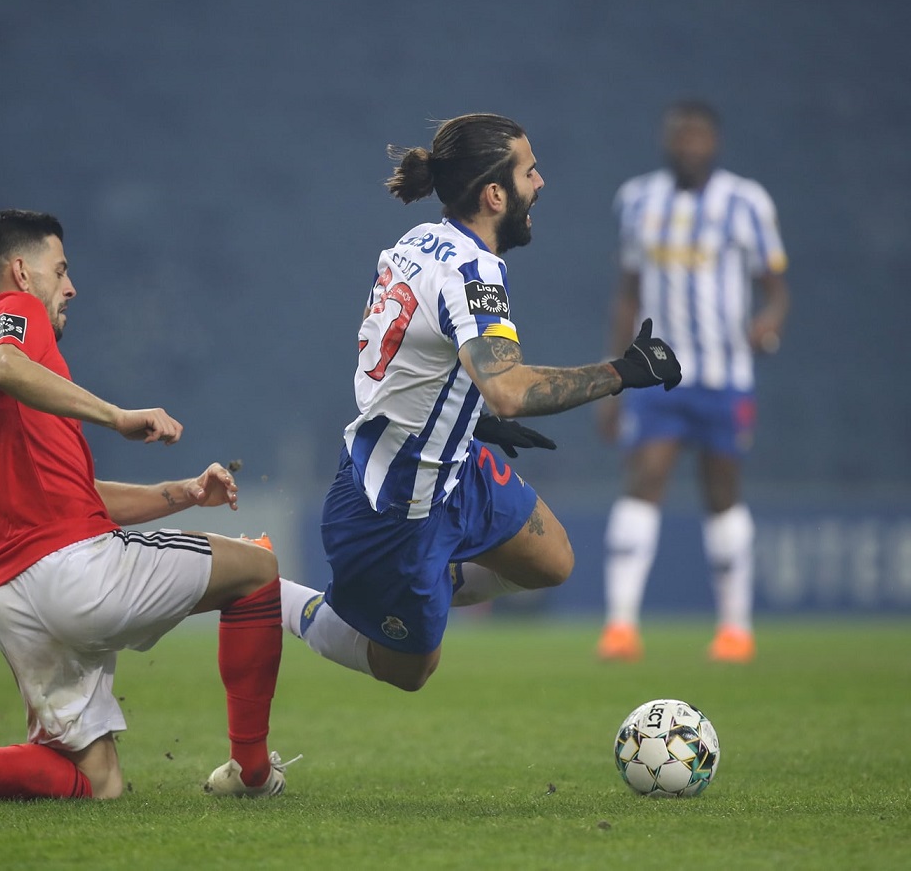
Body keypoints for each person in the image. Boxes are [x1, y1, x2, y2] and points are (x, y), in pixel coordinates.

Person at [0, 209, 289, 804]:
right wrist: (116, 415)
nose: (70, 287)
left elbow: (73, 495)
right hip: (75, 572)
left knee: (97, 782)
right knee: (256, 570)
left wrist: (180, 493)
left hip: (10, 597)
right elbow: (6, 365)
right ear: (22, 272)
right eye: (61, 269)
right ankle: (252, 773)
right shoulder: (12, 313)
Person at [276, 114, 682, 692]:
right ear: (494, 194)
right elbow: (509, 390)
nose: (540, 183)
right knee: (410, 671)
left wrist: (466, 418)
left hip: (452, 466)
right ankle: (277, 598)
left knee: (552, 561)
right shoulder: (473, 270)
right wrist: (622, 373)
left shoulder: (417, 240)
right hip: (397, 505)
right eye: (529, 172)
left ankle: (434, 578)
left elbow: (412, 354)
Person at [595, 99, 789, 664]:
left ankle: (735, 629)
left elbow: (777, 287)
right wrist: (612, 378)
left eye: (698, 136)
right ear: (666, 140)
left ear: (715, 142)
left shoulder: (746, 202)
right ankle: (620, 626)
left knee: (722, 489)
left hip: (725, 376)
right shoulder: (638, 200)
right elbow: (627, 294)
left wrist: (770, 320)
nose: (688, 145)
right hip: (658, 374)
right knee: (644, 478)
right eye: (679, 136)